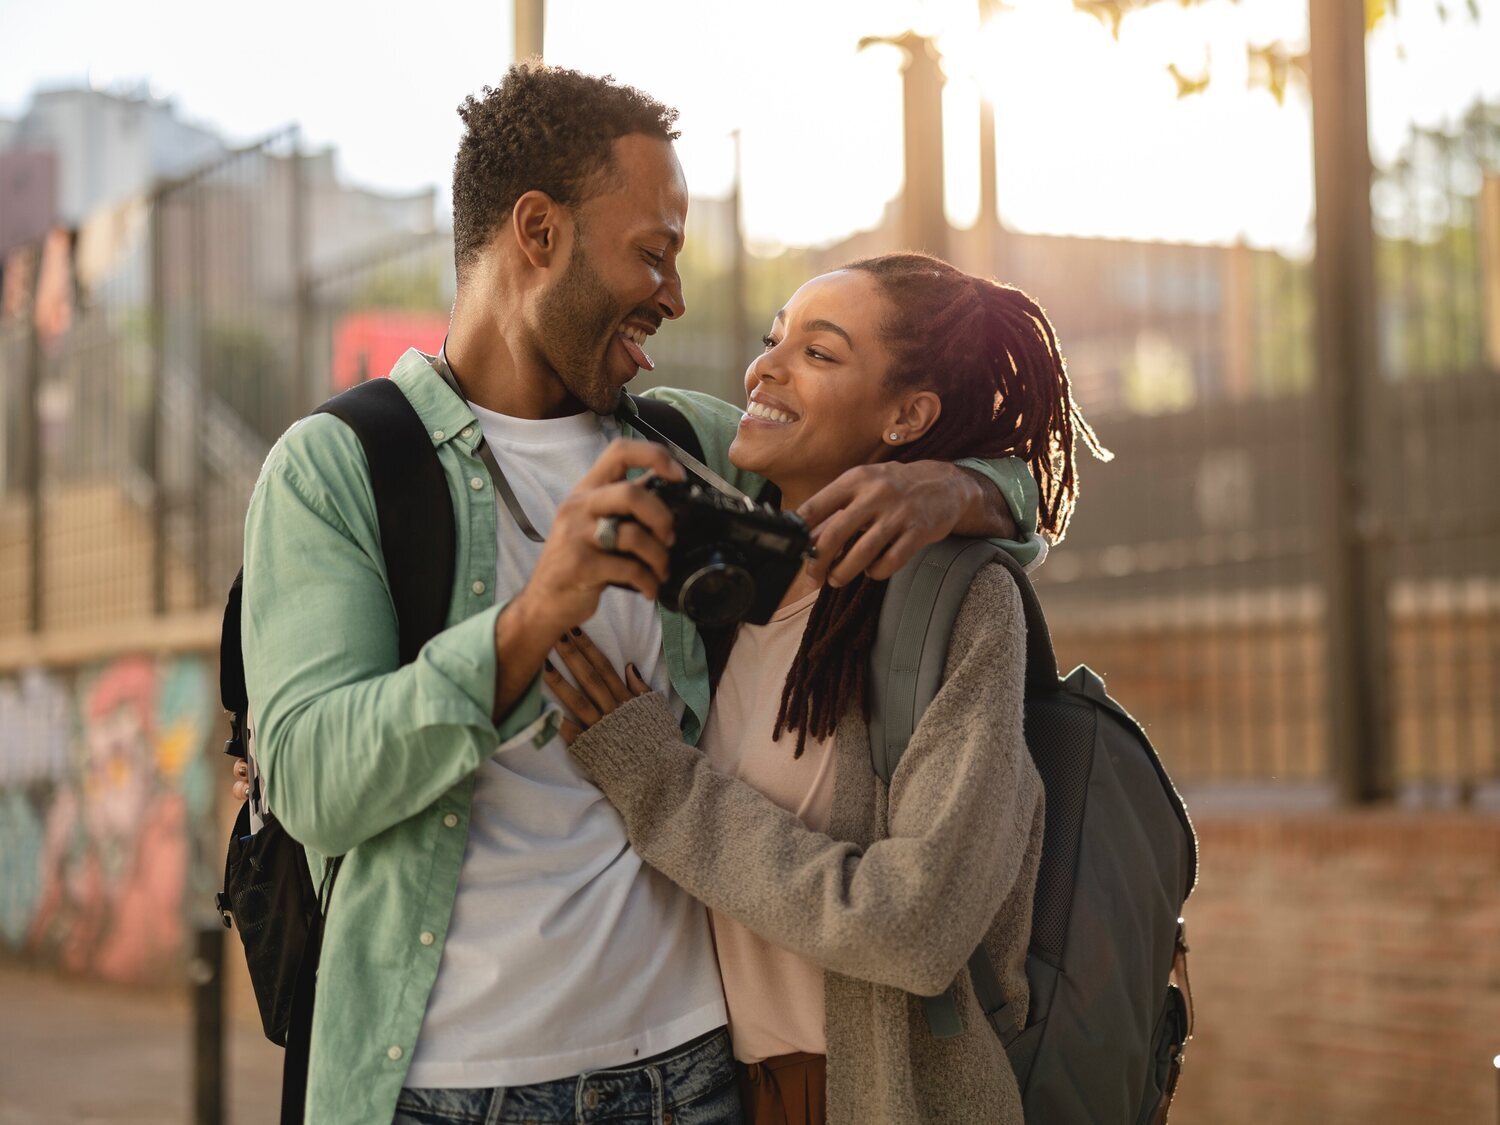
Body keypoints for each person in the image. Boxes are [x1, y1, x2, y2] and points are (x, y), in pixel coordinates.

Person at [239, 66, 1039, 1125]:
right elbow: (312, 782)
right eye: (653, 253)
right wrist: (532, 621)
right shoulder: (338, 468)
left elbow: (931, 446)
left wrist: (960, 485)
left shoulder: (688, 445)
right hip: (440, 1088)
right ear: (538, 232)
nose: (675, 292)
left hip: (692, 1078)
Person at [550, 252, 1105, 1125]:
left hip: (882, 1096)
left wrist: (657, 783)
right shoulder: (724, 569)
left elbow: (917, 926)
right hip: (710, 1091)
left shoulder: (958, 604)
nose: (764, 368)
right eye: (774, 339)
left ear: (907, 415)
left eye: (820, 352)